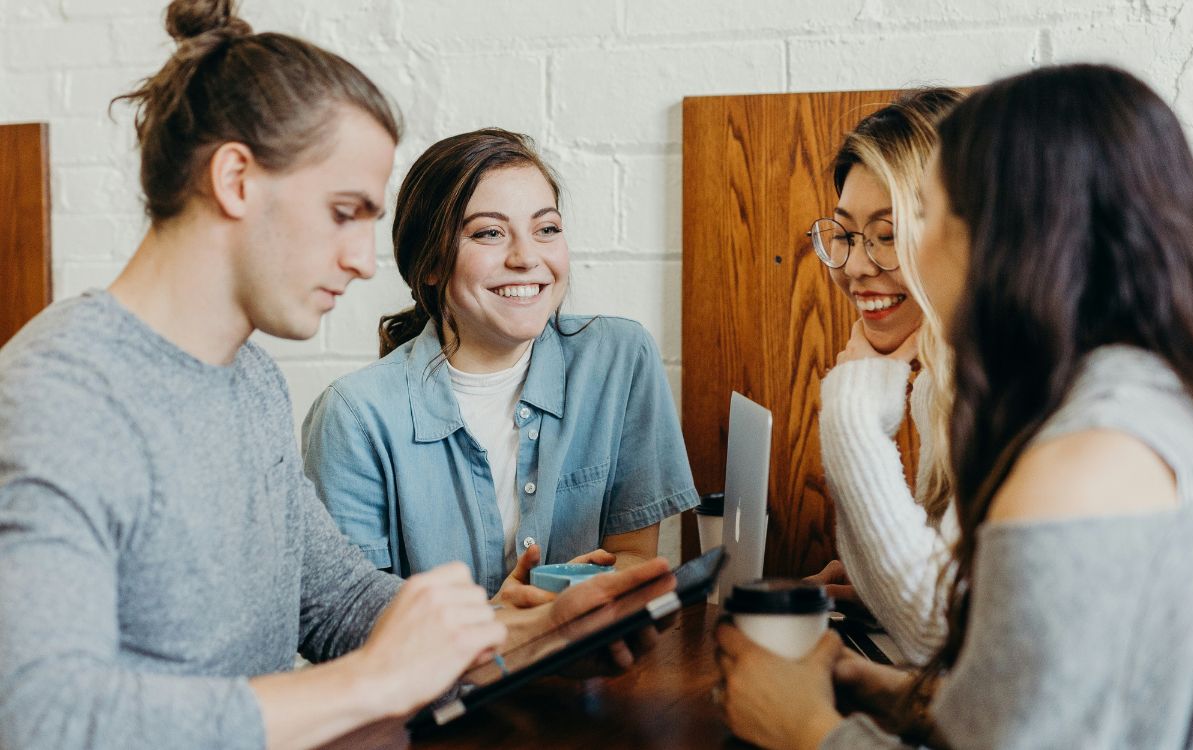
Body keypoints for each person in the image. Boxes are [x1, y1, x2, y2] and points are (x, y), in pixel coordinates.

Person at [0, 3, 669, 748]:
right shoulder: (58, 394)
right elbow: (40, 716)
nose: (360, 259)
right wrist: (372, 682)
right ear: (236, 180)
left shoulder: (247, 378)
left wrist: (527, 636)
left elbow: (337, 602)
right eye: (344, 212)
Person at [717, 63, 1193, 749]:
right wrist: (901, 696)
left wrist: (807, 730)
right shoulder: (1139, 401)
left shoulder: (1079, 463)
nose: (881, 257)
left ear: (1009, 235)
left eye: (929, 214)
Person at [302, 128, 699, 606]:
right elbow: (352, 620)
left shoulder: (619, 359)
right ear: (429, 263)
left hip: (587, 670)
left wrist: (577, 594)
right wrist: (503, 622)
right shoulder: (354, 416)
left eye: (546, 229)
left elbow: (634, 555)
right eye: (489, 233)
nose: (527, 257)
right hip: (442, 680)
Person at [811, 88, 962, 663]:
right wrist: (875, 584)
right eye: (846, 234)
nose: (853, 266)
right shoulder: (939, 385)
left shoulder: (1011, 389)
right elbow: (953, 613)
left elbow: (937, 635)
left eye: (888, 233)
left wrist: (850, 412)